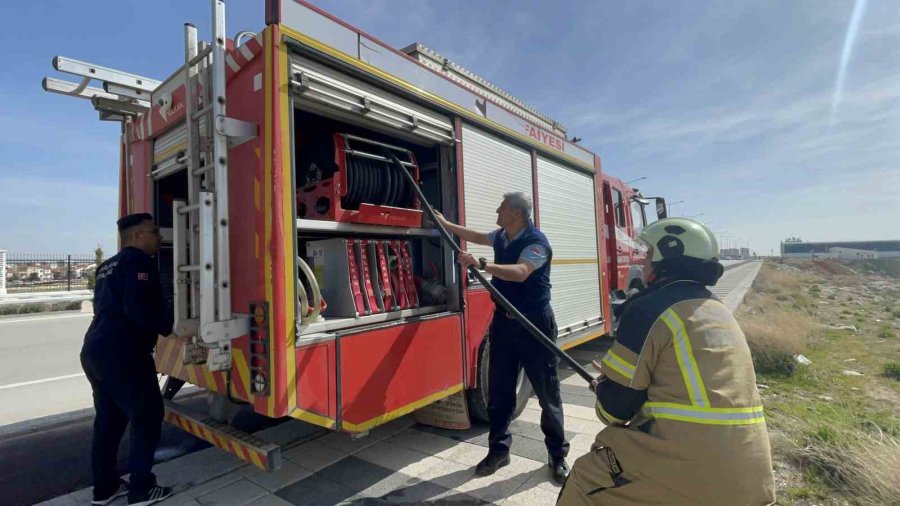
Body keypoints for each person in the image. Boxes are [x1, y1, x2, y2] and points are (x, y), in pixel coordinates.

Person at [557, 217, 776, 506]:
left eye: (648, 253)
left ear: (667, 256)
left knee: (586, 477)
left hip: (690, 467)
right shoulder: (717, 309)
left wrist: (602, 387)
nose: (644, 261)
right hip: (751, 476)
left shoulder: (648, 310)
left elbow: (615, 411)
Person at [436, 192, 570, 484]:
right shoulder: (502, 236)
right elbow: (476, 235)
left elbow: (521, 272)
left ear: (517, 214)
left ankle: (558, 455)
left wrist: (482, 265)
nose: (497, 210)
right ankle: (498, 451)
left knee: (548, 394)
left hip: (534, 325)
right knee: (499, 391)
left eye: (503, 208)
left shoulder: (537, 243)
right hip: (504, 325)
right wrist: (447, 224)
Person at [81, 213, 174, 506]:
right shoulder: (138, 262)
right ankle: (142, 490)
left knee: (108, 421)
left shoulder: (106, 265)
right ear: (136, 237)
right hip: (124, 354)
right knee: (147, 416)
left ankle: (105, 488)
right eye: (153, 232)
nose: (159, 237)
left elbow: (106, 307)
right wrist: (170, 327)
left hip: (95, 350)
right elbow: (138, 309)